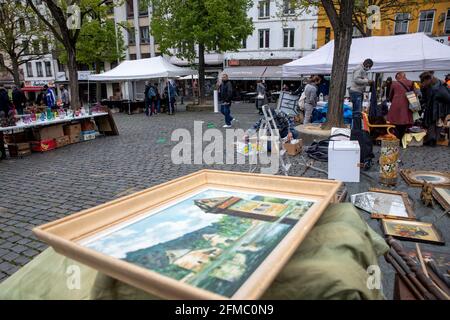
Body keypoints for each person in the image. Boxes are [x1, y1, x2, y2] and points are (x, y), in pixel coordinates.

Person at [420, 72, 450, 146]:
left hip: (435, 108)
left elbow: (427, 98)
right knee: (437, 124)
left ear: (428, 79)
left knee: (432, 123)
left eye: (423, 81)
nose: (422, 82)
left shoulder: (432, 87)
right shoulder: (440, 83)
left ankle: (432, 140)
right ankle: (434, 140)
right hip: (440, 109)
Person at [387, 72, 414, 139]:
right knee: (404, 122)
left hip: (395, 105)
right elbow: (414, 93)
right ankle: (402, 138)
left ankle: (397, 137)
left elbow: (390, 95)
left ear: (398, 76)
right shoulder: (411, 83)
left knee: (395, 122)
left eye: (396, 77)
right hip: (407, 105)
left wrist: (392, 100)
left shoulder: (394, 83)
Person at [349, 59, 374, 130]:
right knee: (357, 112)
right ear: (367, 64)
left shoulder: (362, 69)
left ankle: (356, 128)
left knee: (357, 111)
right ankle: (356, 129)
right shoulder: (359, 69)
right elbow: (356, 80)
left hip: (358, 92)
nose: (369, 68)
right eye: (370, 66)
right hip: (356, 92)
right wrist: (367, 81)